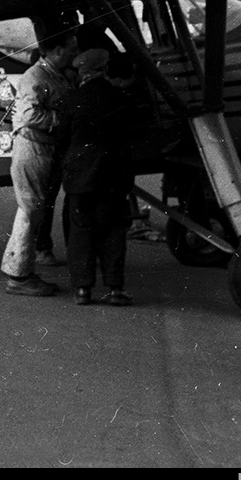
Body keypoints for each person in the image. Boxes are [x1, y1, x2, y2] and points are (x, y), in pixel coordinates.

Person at [0, 23, 77, 296]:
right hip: (33, 149)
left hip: (44, 149)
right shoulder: (35, 77)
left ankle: (22, 270)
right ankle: (18, 277)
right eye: (71, 49)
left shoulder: (55, 74)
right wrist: (63, 121)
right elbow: (29, 116)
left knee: (35, 210)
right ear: (57, 51)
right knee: (31, 210)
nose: (75, 54)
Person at [62, 47, 135, 306]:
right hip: (112, 175)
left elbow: (62, 137)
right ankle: (115, 288)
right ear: (104, 69)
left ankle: (83, 289)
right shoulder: (120, 97)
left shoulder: (72, 99)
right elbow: (130, 137)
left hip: (79, 176)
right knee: (113, 229)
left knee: (80, 230)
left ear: (82, 72)